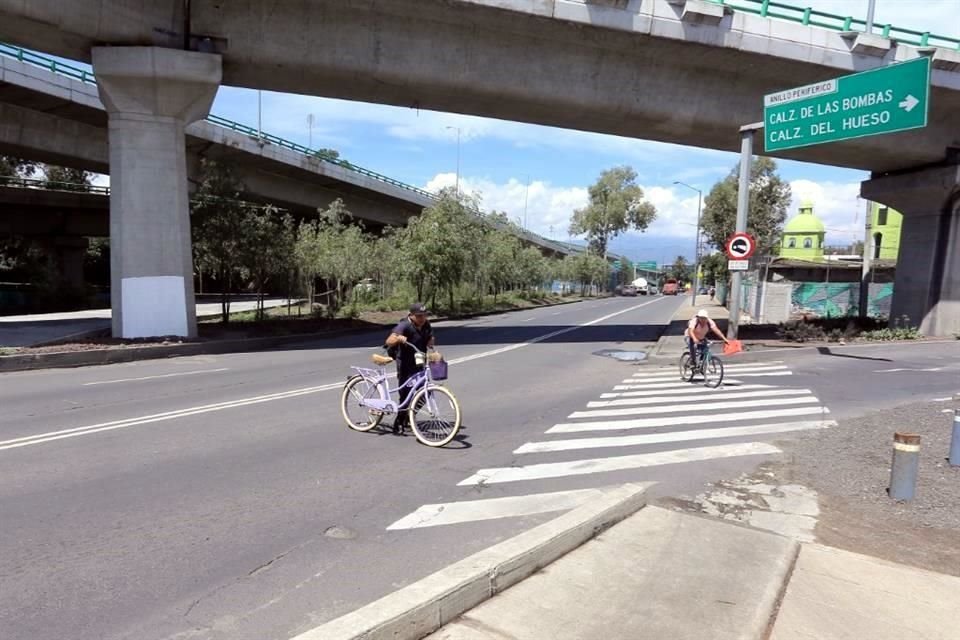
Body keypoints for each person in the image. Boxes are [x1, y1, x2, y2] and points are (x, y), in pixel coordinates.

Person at [384, 302, 435, 433]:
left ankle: (409, 415)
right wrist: (398, 338)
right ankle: (399, 421)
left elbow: (429, 337)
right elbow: (389, 341)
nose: (422, 318)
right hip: (405, 363)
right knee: (406, 393)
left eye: (424, 315)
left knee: (425, 391)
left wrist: (430, 341)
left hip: (419, 361)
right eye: (419, 316)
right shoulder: (405, 325)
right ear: (411, 315)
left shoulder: (426, 325)